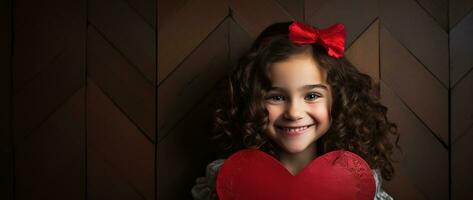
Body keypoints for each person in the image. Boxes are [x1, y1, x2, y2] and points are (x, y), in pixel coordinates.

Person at [191, 21, 399, 200]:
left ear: (338, 100)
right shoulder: (229, 178)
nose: (294, 112)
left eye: (311, 96)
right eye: (277, 97)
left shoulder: (358, 182)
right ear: (251, 102)